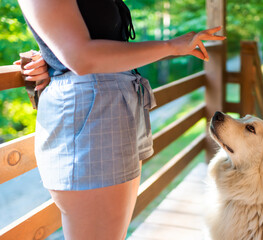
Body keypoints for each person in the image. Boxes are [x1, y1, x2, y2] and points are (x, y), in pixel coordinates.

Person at [16, 0, 226, 239]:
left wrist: (50, 59)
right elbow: (80, 57)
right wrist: (170, 46)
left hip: (112, 105)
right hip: (91, 111)